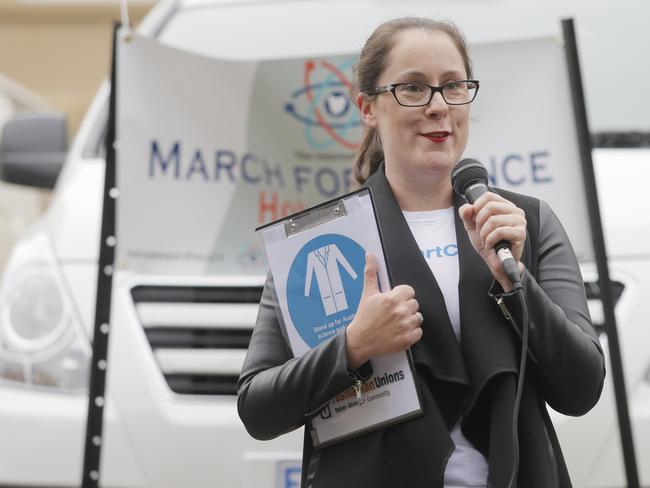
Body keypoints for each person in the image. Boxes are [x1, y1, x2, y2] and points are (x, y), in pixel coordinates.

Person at [237, 17, 605, 488]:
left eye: (453, 86)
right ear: (367, 107)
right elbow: (258, 408)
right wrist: (353, 347)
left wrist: (517, 285)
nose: (438, 107)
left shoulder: (524, 223)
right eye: (413, 88)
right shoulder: (319, 239)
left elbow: (582, 389)